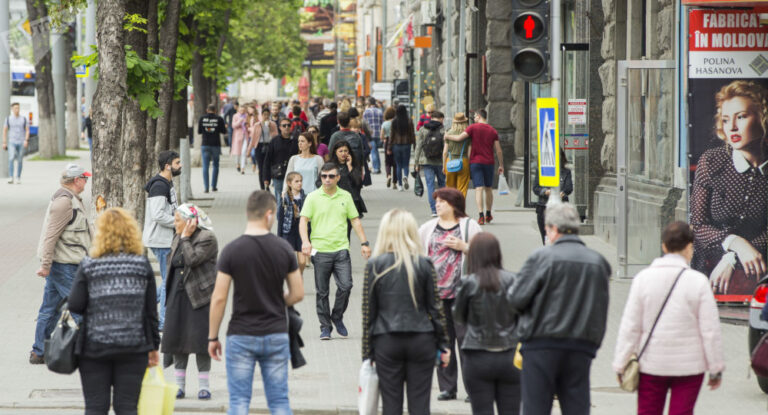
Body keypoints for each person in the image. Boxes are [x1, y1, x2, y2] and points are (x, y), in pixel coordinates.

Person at [507, 203, 610, 415]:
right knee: (577, 406)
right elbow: (601, 307)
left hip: (540, 344)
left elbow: (515, 299)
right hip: (581, 346)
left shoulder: (541, 258)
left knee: (535, 407)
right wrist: (593, 342)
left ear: (553, 229)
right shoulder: (598, 262)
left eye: (546, 229)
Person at [612, 221, 724, 415]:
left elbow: (630, 326)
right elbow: (710, 330)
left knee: (648, 411)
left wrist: (620, 363)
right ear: (689, 247)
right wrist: (715, 367)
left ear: (664, 246)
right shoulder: (698, 282)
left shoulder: (643, 279)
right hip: (689, 366)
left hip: (651, 363)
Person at [208, 190, 304, 415]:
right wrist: (279, 301)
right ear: (269, 215)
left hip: (241, 334)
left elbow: (219, 298)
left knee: (239, 402)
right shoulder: (283, 248)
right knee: (279, 402)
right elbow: (298, 293)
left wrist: (213, 337)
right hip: (276, 333)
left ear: (248, 213)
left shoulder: (231, 250)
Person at [68, 208, 160, 415]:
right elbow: (151, 313)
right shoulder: (141, 265)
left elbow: (75, 304)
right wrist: (154, 346)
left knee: (95, 407)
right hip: (133, 348)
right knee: (127, 407)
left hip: (94, 347)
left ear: (100, 234)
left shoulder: (89, 265)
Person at [362, 208, 450, 415]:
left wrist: (367, 353)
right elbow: (436, 308)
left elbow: (368, 313)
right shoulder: (424, 263)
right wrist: (443, 344)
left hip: (386, 339)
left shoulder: (375, 265)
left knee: (391, 405)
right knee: (420, 405)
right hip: (421, 338)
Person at [691, 80, 768, 295]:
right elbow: (698, 225)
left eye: (741, 117)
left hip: (759, 274)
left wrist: (733, 258)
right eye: (725, 120)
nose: (732, 127)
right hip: (708, 273)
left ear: (762, 118)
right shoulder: (712, 162)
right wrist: (736, 244)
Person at [418, 187, 482, 401]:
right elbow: (417, 253)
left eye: (442, 202)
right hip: (436, 296)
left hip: (463, 295)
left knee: (466, 343)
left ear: (454, 204)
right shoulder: (428, 227)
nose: (437, 205)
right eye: (436, 201)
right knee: (442, 342)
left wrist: (465, 246)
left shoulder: (469, 226)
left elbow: (485, 253)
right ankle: (447, 387)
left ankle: (473, 388)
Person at [300, 162, 372, 340]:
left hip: (341, 249)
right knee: (322, 292)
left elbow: (355, 220)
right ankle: (325, 327)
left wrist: (364, 243)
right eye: (324, 176)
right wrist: (305, 242)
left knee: (346, 285)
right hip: (320, 251)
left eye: (331, 176)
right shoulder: (312, 197)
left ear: (338, 178)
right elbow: (303, 220)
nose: (327, 179)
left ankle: (337, 316)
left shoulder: (346, 196)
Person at [31, 163, 93, 364]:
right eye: (85, 178)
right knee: (81, 306)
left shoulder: (71, 199)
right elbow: (50, 236)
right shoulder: (64, 202)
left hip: (64, 263)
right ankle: (91, 352)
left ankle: (39, 351)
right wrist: (46, 265)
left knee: (50, 309)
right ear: (76, 180)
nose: (86, 181)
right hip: (64, 265)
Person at [453, 233, 520, 414]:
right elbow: (522, 315)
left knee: (481, 409)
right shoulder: (512, 280)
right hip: (509, 354)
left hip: (477, 355)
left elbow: (458, 316)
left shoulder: (468, 282)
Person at [161, 204, 218, 400]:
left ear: (190, 222)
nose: (174, 223)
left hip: (199, 297)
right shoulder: (177, 236)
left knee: (201, 340)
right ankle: (179, 386)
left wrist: (185, 237)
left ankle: (204, 386)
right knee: (177, 339)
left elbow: (192, 259)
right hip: (177, 295)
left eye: (177, 220)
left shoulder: (207, 238)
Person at [142, 150, 181, 331]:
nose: (180, 166)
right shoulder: (159, 186)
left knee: (168, 280)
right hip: (160, 240)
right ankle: (163, 322)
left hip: (165, 238)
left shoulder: (168, 182)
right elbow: (158, 215)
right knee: (168, 281)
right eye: (177, 163)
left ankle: (143, 307)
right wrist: (179, 222)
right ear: (167, 166)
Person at [445, 109, 504, 225]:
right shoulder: (493, 131)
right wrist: (501, 165)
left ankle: (481, 215)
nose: (474, 118)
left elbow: (459, 138)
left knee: (478, 188)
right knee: (488, 188)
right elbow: (498, 150)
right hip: (489, 162)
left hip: (475, 162)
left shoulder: (472, 128)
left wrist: (447, 136)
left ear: (479, 116)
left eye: (475, 116)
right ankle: (488, 214)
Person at [532, 149, 573, 244]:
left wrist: (562, 193)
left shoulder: (566, 172)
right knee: (546, 240)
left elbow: (569, 188)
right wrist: (545, 191)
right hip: (543, 208)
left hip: (561, 209)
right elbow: (536, 188)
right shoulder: (541, 170)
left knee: (560, 239)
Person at [414, 111, 447, 216]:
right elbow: (446, 148)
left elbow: (418, 147)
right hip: (440, 161)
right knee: (442, 184)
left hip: (426, 161)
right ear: (441, 118)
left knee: (430, 185)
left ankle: (434, 210)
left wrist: (416, 163)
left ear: (431, 118)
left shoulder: (423, 129)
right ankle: (443, 208)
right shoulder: (443, 130)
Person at [278, 172, 308, 276]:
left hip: (301, 232)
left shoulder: (306, 198)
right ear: (289, 183)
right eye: (296, 181)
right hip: (288, 231)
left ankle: (299, 276)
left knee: (302, 262)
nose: (300, 183)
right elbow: (280, 218)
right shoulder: (284, 198)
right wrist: (279, 237)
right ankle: (293, 280)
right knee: (288, 261)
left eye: (301, 181)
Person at [330, 140, 367, 222]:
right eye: (340, 151)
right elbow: (320, 182)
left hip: (351, 200)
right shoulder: (330, 166)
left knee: (348, 227)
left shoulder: (353, 165)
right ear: (335, 152)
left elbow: (358, 182)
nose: (343, 153)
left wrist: (349, 166)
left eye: (345, 151)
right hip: (335, 200)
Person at [264, 118, 299, 201]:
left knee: (293, 199)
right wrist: (266, 178)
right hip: (278, 174)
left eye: (288, 125)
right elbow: (267, 160)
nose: (286, 127)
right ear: (280, 127)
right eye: (284, 125)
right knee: (280, 199)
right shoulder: (274, 141)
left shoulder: (296, 141)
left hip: (293, 174)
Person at [198, 104, 227, 193]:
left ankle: (206, 188)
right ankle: (214, 186)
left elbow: (199, 131)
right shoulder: (219, 119)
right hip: (215, 145)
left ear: (207, 110)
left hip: (205, 144)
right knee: (215, 165)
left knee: (205, 166)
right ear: (215, 110)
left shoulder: (202, 118)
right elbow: (224, 131)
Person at [248, 108, 278, 190]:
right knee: (261, 168)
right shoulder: (257, 125)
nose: (266, 116)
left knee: (268, 167)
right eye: (264, 115)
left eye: (268, 115)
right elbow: (253, 138)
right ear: (262, 115)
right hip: (259, 147)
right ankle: (262, 187)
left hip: (269, 146)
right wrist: (249, 150)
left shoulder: (273, 124)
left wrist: (270, 128)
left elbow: (276, 136)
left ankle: (267, 184)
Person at [443, 113, 472, 197]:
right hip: (463, 161)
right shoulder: (467, 134)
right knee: (462, 188)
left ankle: (451, 204)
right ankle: (460, 204)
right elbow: (469, 152)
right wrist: (469, 164)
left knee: (450, 189)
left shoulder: (448, 133)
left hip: (450, 162)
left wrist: (444, 165)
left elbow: (445, 152)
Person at [3, 102, 30, 184]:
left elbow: (27, 130)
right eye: (15, 108)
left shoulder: (23, 119)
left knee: (20, 160)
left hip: (21, 141)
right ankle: (11, 177)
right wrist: (4, 142)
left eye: (18, 108)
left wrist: (26, 140)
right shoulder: (8, 119)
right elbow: (5, 130)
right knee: (11, 158)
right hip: (12, 141)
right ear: (12, 109)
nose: (17, 110)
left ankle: (18, 177)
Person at [391, 105, 416, 191]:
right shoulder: (409, 120)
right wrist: (414, 144)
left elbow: (392, 134)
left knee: (398, 165)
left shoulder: (394, 121)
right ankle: (405, 176)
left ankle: (400, 185)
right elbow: (412, 133)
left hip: (396, 145)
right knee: (405, 164)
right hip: (407, 144)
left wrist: (389, 146)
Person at [363, 97, 383, 174]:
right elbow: (382, 123)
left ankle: (376, 168)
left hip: (370, 134)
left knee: (373, 151)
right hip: (378, 134)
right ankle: (378, 167)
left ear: (369, 103)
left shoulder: (366, 112)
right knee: (376, 150)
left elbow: (364, 123)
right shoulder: (380, 111)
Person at [380, 106, 397, 189]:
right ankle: (394, 183)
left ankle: (389, 175)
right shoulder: (396, 123)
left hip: (387, 142)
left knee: (387, 162)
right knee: (395, 164)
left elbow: (381, 136)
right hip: (395, 142)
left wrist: (384, 139)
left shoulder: (385, 124)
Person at [231, 105, 248, 172]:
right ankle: (237, 163)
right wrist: (240, 121)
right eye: (241, 110)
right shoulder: (235, 116)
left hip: (245, 135)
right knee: (237, 151)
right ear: (238, 110)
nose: (242, 111)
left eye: (243, 110)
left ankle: (242, 168)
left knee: (243, 151)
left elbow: (249, 124)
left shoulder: (247, 116)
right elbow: (233, 125)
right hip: (238, 135)